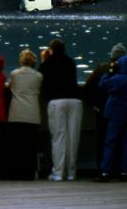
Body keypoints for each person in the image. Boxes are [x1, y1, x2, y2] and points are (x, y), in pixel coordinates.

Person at [39, 38, 82, 181]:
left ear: (50, 50)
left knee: (59, 137)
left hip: (56, 101)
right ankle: (71, 172)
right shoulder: (70, 62)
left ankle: (58, 172)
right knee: (73, 138)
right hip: (75, 101)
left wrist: (44, 59)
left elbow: (40, 77)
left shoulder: (48, 63)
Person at [85, 43, 126, 175]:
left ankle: (104, 170)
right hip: (126, 112)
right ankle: (122, 170)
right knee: (124, 142)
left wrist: (94, 104)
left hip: (105, 111)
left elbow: (90, 86)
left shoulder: (103, 68)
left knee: (105, 141)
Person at [7, 49, 43, 180]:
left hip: (16, 113)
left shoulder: (14, 74)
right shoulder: (39, 76)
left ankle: (16, 172)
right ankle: (29, 173)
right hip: (32, 114)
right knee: (30, 146)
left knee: (17, 146)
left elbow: (10, 87)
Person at [94, 55, 127, 182]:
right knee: (126, 144)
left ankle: (105, 172)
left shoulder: (116, 79)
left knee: (110, 143)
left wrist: (110, 72)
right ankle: (124, 172)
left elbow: (102, 85)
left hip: (114, 114)